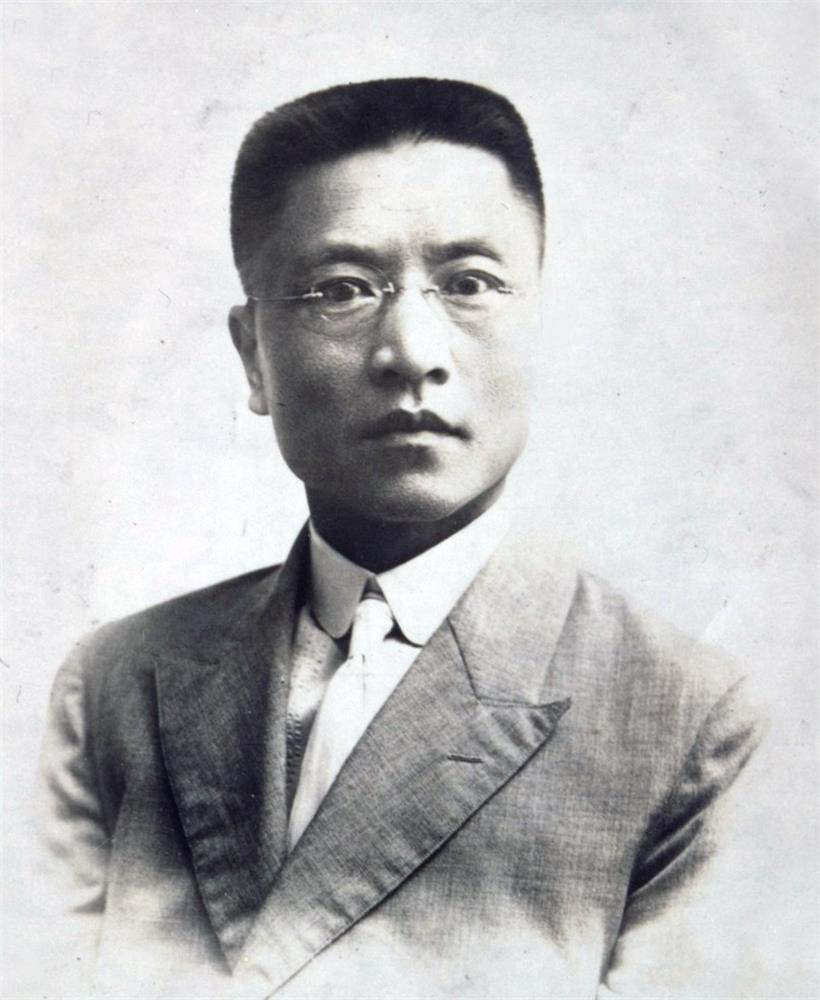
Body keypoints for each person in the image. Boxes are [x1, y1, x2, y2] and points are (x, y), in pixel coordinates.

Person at [39, 78, 765, 999]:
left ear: (538, 327)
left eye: (470, 285)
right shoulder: (112, 686)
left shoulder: (694, 724)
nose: (413, 351)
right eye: (341, 290)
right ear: (254, 355)